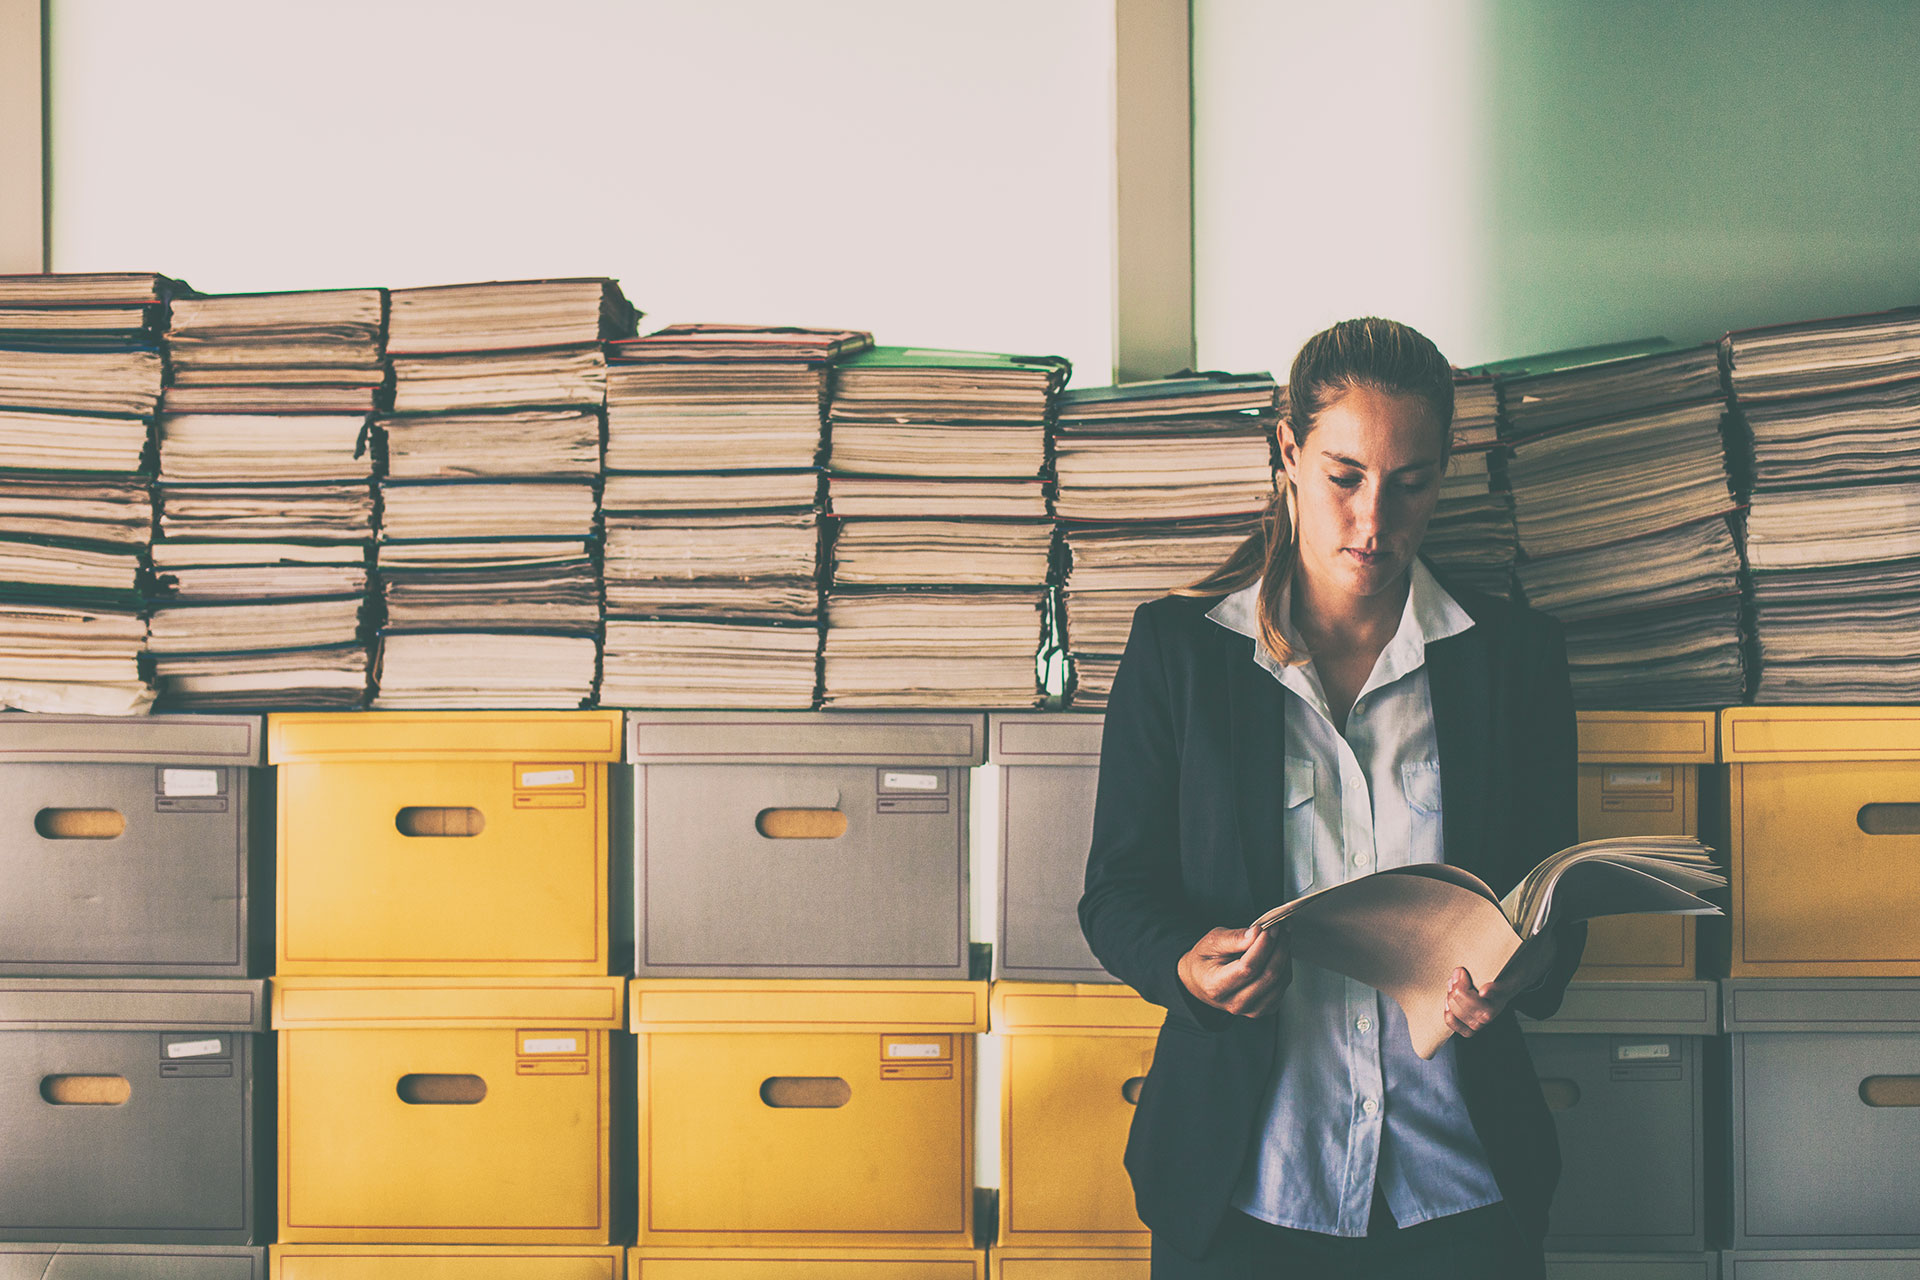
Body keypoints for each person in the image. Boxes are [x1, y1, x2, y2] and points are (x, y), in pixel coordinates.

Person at [1078, 317, 1585, 1279]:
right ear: (1289, 453)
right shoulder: (1180, 655)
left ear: (1446, 471)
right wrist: (1187, 970)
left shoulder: (1515, 658)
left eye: (1412, 482)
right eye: (1345, 476)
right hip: (1245, 1181)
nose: (1373, 521)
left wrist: (1526, 968)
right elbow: (1116, 894)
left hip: (1461, 1186)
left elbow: (1551, 908)